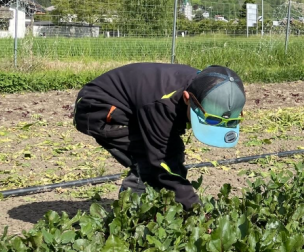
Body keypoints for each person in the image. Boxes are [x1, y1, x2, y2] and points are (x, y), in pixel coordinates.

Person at [73, 63, 246, 209]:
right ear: (187, 98)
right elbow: (161, 161)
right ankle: (129, 215)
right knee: (148, 165)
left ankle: (155, 205)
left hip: (136, 106)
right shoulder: (162, 102)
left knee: (172, 153)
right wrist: (194, 209)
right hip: (97, 107)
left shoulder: (204, 84)